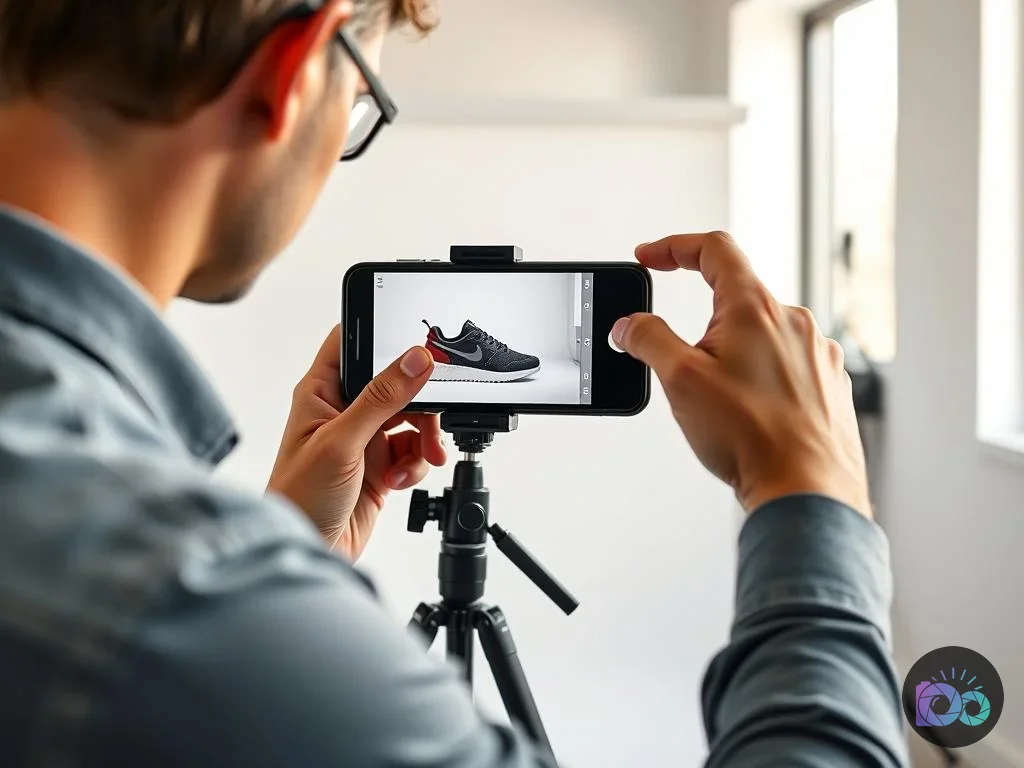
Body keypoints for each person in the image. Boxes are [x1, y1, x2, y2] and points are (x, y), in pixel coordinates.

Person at [0, 0, 907, 765]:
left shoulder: (126, 546)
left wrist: (285, 546)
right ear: (294, 70)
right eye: (362, 104)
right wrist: (809, 494)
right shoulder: (186, 592)